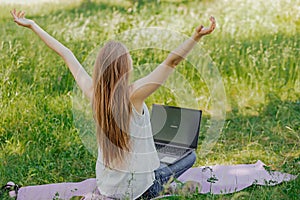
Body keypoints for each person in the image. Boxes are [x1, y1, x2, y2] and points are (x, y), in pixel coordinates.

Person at [10, 9, 216, 199]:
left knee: (154, 149)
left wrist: (33, 25)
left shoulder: (94, 93)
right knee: (189, 155)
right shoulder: (134, 95)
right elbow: (172, 62)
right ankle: (168, 188)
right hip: (140, 190)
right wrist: (196, 37)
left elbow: (66, 53)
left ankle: (166, 185)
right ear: (126, 66)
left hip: (107, 187)